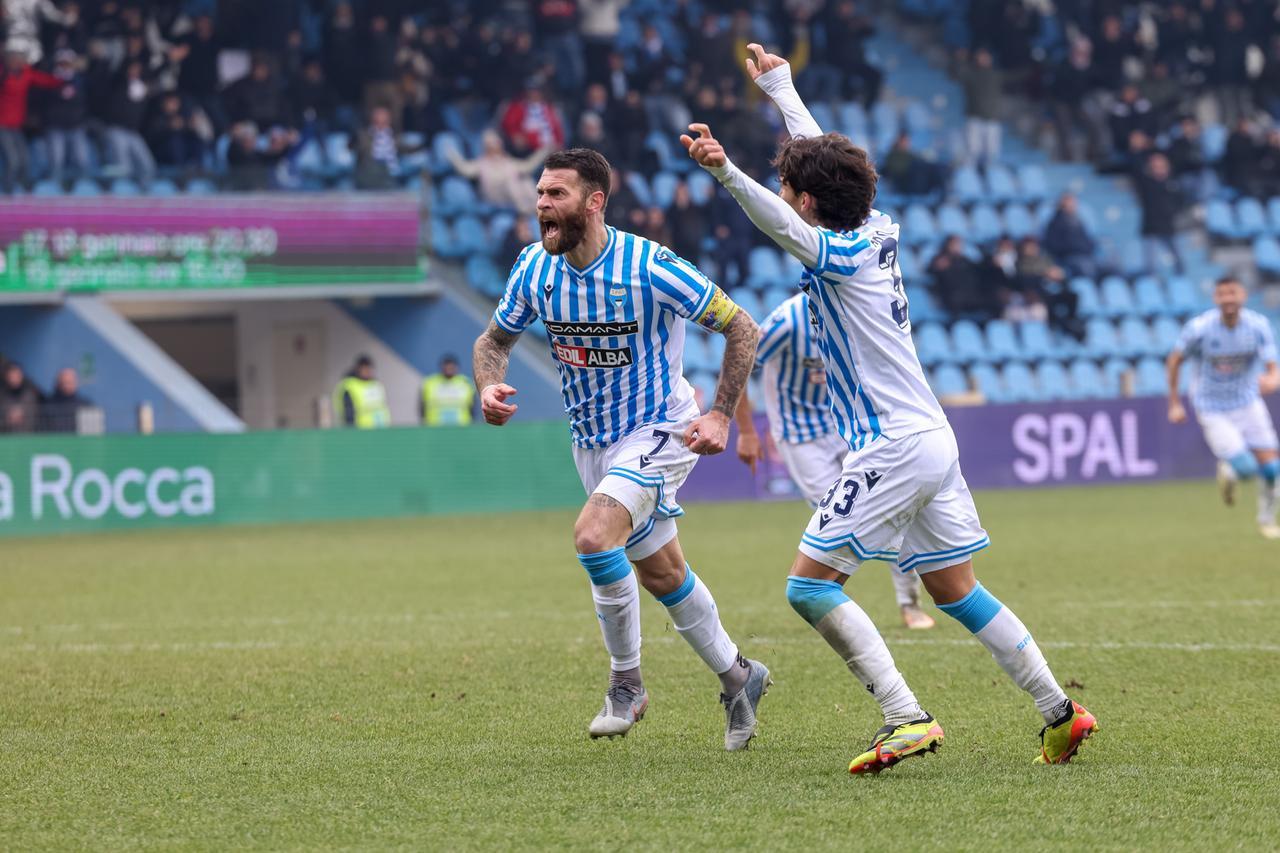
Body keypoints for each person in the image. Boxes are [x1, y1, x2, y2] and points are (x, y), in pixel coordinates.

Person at [682, 44, 1097, 773]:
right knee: (954, 587)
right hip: (932, 437)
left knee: (808, 586)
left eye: (789, 187)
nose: (785, 193)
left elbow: (780, 222)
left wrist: (723, 170)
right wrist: (781, 87)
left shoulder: (835, 256)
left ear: (807, 204)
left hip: (892, 444)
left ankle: (907, 716)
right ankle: (1060, 713)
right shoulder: (878, 225)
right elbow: (825, 164)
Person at [472, 147, 770, 750]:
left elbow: (741, 326)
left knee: (591, 537)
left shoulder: (650, 265)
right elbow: (493, 339)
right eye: (540, 194)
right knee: (662, 572)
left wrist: (719, 415)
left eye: (556, 194)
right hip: (593, 443)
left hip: (661, 429)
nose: (541, 205)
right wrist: (488, 385)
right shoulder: (534, 269)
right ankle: (740, 677)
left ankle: (626, 684)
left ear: (595, 201)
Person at [733, 292, 935, 630]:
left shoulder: (858, 309)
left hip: (849, 429)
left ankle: (910, 604)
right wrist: (747, 432)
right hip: (800, 437)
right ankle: (823, 597)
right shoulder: (787, 322)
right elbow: (740, 362)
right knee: (837, 519)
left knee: (900, 509)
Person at [1167, 277, 1280, 539]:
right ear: (1215, 298)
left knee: (1273, 469)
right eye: (1222, 294)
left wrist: (1273, 380)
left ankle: (1266, 519)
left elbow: (1272, 366)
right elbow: (1174, 361)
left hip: (1247, 401)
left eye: (1233, 293)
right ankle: (1229, 469)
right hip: (1212, 406)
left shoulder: (1258, 326)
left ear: (1244, 295)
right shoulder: (1199, 328)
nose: (1228, 299)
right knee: (1246, 469)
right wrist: (1174, 402)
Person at [445, 129, 549, 214]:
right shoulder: (481, 164)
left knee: (526, 181)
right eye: (489, 144)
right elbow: (465, 169)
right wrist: (452, 155)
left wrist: (544, 151)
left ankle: (537, 208)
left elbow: (527, 166)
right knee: (511, 183)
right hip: (493, 198)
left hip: (511, 197)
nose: (493, 147)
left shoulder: (508, 162)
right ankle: (525, 211)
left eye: (495, 143)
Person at [332, 354, 390, 429]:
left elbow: (382, 407)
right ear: (358, 369)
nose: (368, 371)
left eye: (369, 368)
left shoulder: (376, 385)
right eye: (365, 369)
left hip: (379, 429)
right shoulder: (350, 386)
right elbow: (348, 412)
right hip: (360, 431)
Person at [421, 354, 475, 426]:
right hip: (434, 427)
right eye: (446, 366)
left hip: (461, 428)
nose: (449, 368)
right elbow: (422, 406)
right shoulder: (430, 382)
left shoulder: (466, 382)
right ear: (441, 367)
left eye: (451, 366)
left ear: (456, 367)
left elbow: (473, 407)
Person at [39, 366, 89, 433]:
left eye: (70, 382)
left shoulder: (85, 405)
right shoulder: (48, 405)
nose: (67, 385)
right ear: (58, 383)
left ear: (76, 383)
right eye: (65, 382)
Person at [1, 360, 39, 433]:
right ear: (6, 377)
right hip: (5, 437)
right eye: (11, 376)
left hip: (26, 436)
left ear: (22, 375)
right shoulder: (2, 395)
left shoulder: (30, 394)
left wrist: (23, 415)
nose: (14, 378)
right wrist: (8, 418)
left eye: (17, 375)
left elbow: (36, 416)